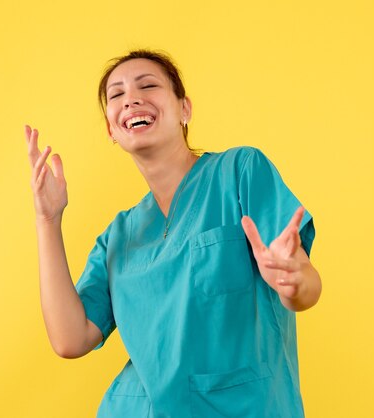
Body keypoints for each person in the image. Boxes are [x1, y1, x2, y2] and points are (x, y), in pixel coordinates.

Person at [24, 49, 322, 418]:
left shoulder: (240, 172)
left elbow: (304, 285)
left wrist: (294, 279)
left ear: (185, 109)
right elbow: (71, 338)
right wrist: (48, 221)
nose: (131, 98)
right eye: (116, 95)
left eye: (148, 85)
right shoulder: (119, 236)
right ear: (111, 130)